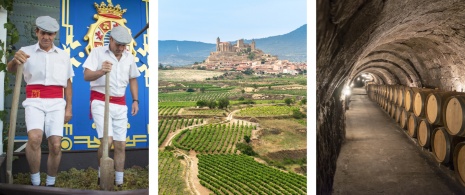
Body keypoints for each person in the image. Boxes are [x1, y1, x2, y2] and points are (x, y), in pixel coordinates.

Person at [7, 16, 74, 187]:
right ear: (37, 32)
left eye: (51, 34)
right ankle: (35, 181)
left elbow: (67, 82)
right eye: (43, 33)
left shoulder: (63, 56)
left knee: (56, 144)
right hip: (34, 100)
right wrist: (15, 60)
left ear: (55, 35)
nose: (47, 37)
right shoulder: (25, 51)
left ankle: (51, 183)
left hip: (57, 102)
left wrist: (69, 108)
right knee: (35, 138)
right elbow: (11, 69)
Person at [82, 25, 140, 187]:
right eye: (118, 44)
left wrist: (135, 100)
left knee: (121, 144)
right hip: (100, 100)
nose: (121, 48)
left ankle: (119, 182)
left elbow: (133, 79)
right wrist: (101, 71)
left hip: (120, 102)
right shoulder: (97, 53)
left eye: (124, 45)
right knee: (107, 141)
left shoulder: (129, 57)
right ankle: (103, 176)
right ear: (111, 40)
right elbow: (86, 75)